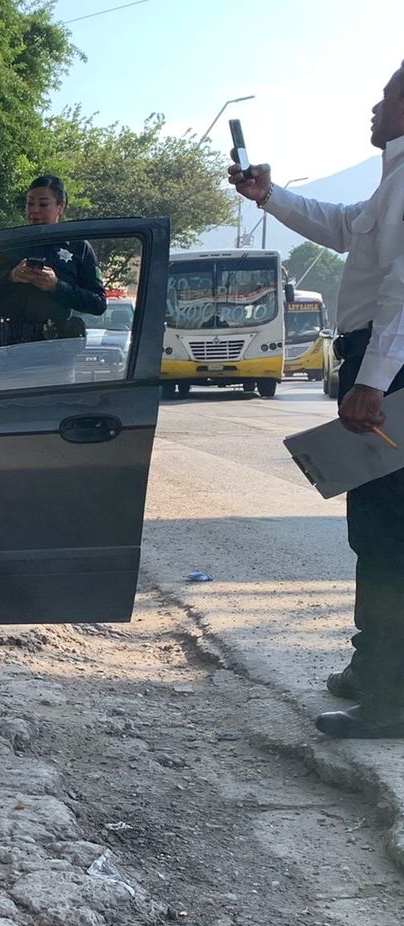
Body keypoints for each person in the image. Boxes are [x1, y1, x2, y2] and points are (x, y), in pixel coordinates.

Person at [228, 59, 404, 738]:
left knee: (388, 539)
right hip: (379, 365)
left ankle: (390, 702)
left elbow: (400, 293)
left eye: (387, 97)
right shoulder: (391, 180)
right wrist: (270, 198)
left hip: (389, 369)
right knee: (377, 532)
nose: (375, 107)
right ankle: (375, 668)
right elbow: (341, 226)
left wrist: (371, 382)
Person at [0, 176, 107, 390]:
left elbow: (98, 303)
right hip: (5, 356)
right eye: (30, 203)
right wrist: (10, 277)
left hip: (54, 359)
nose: (34, 210)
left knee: (48, 421)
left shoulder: (78, 247)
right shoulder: (9, 244)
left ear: (61, 206)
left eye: (43, 204)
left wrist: (56, 286)